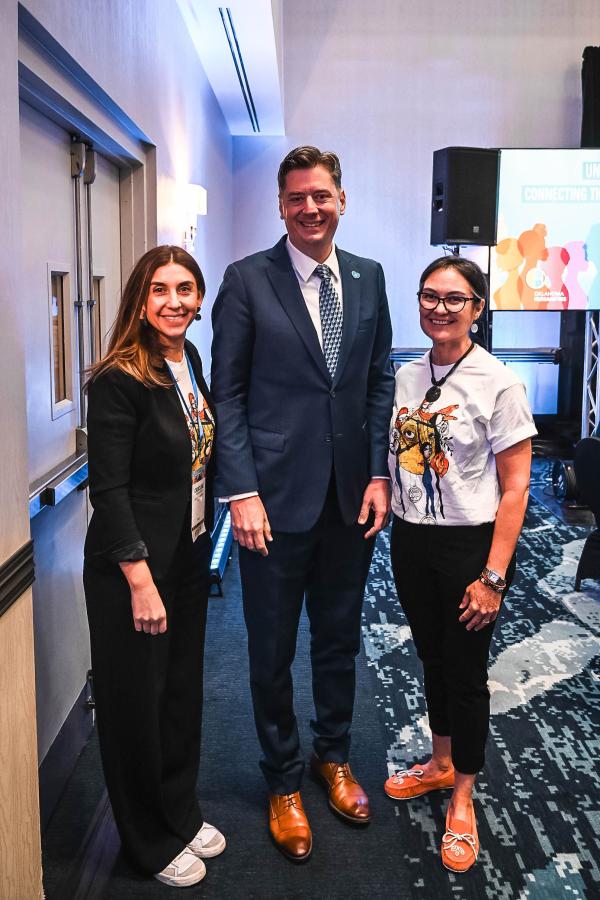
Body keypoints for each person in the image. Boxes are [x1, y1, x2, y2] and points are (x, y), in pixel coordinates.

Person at [211, 146, 395, 861]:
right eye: (296, 199)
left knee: (339, 640)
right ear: (281, 207)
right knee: (270, 649)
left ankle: (334, 755)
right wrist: (242, 491)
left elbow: (378, 381)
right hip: (272, 504)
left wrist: (378, 474)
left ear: (341, 200)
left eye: (321, 195)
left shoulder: (369, 277)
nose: (310, 208)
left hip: (351, 500)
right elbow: (227, 394)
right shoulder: (246, 281)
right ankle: (283, 779)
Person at [384, 256, 536, 872]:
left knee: (467, 671)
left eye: (455, 298)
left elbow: (517, 487)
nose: (439, 308)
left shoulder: (499, 382)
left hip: (470, 547)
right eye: (430, 296)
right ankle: (440, 762)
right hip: (411, 542)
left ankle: (464, 797)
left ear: (477, 308)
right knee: (432, 656)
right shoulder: (408, 375)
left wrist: (493, 577)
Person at [83, 245, 225, 888]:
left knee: (179, 694)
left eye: (186, 288)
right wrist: (139, 580)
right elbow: (108, 491)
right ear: (141, 300)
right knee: (134, 703)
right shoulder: (118, 379)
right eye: (161, 289)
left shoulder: (188, 360)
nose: (175, 301)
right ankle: (144, 839)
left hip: (188, 555)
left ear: (199, 299)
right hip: (132, 573)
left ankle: (178, 809)